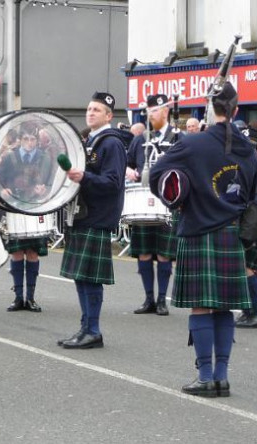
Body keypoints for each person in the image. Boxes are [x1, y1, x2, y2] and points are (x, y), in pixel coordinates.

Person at [150, 82, 257, 397]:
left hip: (198, 230)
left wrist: (179, 196)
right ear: (236, 110)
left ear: (211, 110)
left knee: (201, 308)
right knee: (224, 308)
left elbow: (158, 175)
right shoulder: (250, 150)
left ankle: (205, 376)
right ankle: (221, 378)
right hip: (233, 233)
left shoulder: (192, 143)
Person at [58, 92, 126, 349]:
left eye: (97, 110)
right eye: (89, 109)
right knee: (81, 276)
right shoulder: (89, 141)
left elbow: (113, 183)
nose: (90, 113)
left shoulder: (111, 144)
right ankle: (86, 327)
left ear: (109, 115)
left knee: (90, 278)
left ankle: (93, 330)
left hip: (97, 216)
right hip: (82, 215)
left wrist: (83, 177)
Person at [126, 94, 183, 316]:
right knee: (144, 253)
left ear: (166, 111)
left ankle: (161, 300)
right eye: (149, 110)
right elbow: (128, 163)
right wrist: (128, 171)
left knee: (164, 254)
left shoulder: (178, 137)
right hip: (142, 201)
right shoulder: (139, 140)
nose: (151, 114)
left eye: (156, 110)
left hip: (168, 202)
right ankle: (148, 299)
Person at [0, 122, 53, 312]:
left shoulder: (45, 158)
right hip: (14, 208)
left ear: (37, 141)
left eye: (33, 139)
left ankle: (30, 298)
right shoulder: (8, 157)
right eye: (26, 139)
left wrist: (45, 189)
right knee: (16, 253)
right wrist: (2, 190)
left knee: (33, 253)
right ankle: (18, 297)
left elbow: (51, 182)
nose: (30, 143)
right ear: (20, 140)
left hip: (36, 208)